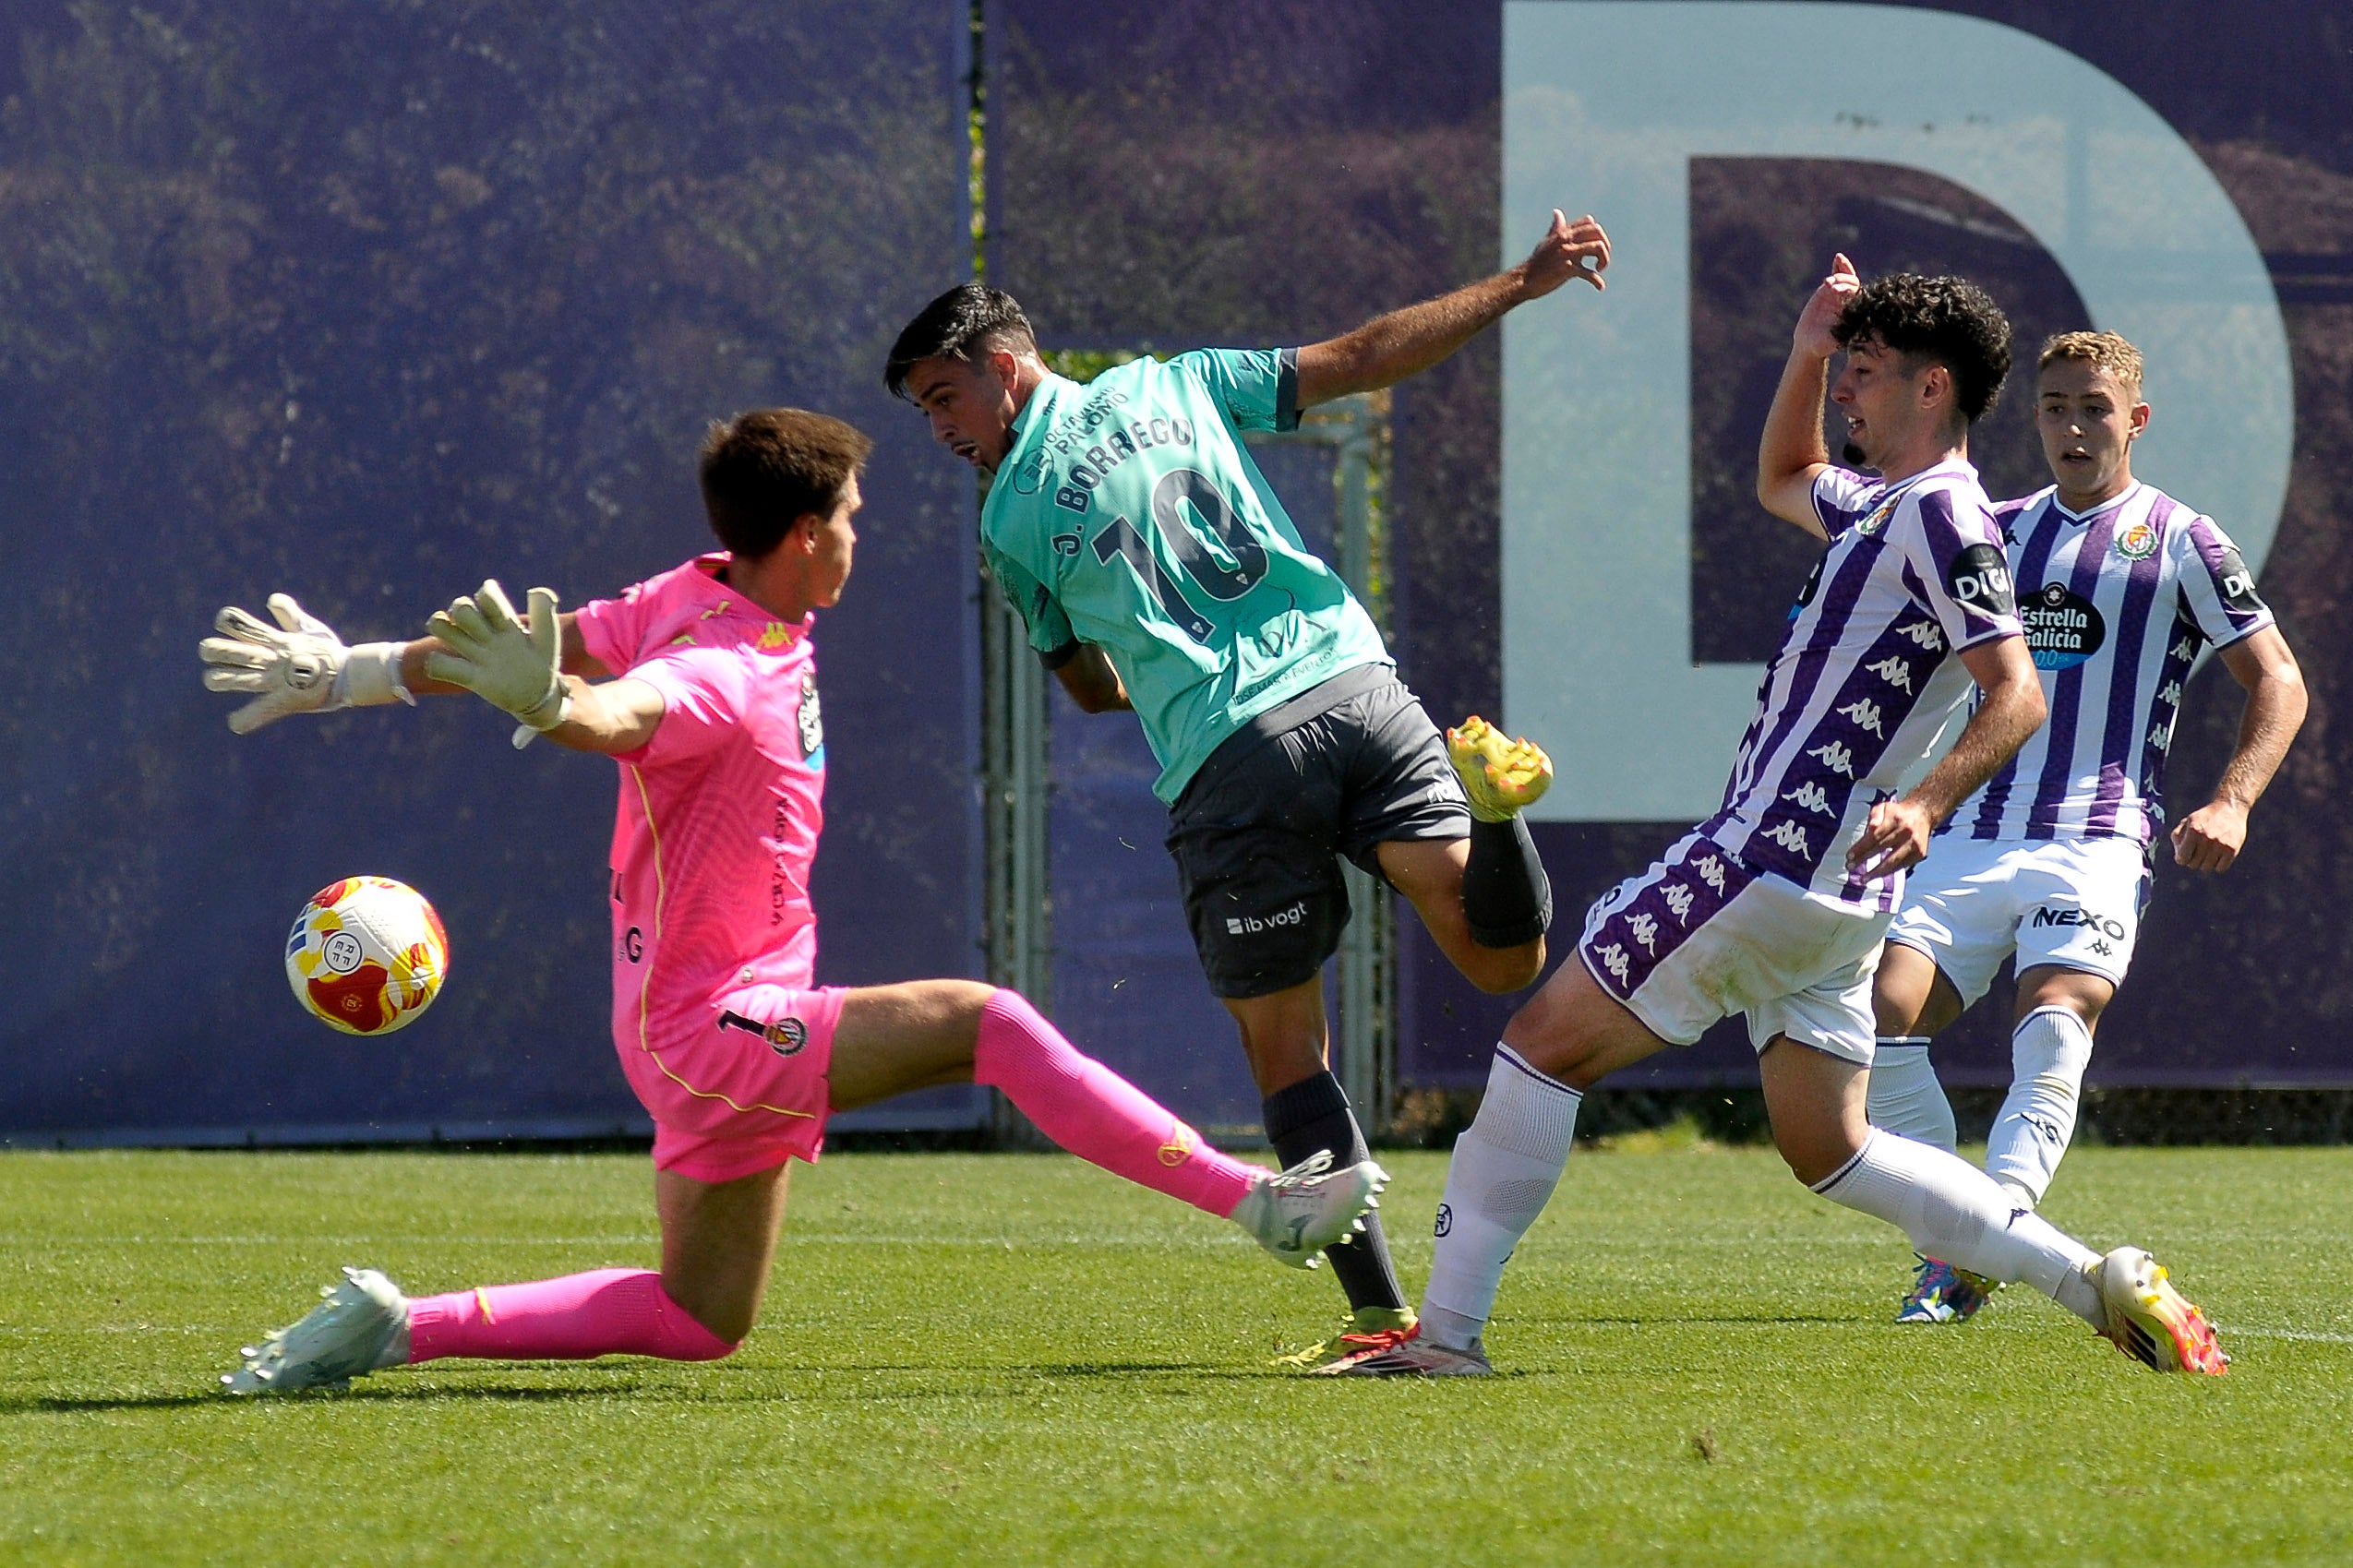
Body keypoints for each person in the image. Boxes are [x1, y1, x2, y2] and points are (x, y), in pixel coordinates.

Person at [198, 408, 1383, 1394]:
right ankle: (1259, 1204)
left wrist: (347, 672)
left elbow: (522, 654)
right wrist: (557, 708)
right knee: (988, 1024)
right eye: (855, 518)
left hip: (700, 1023)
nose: (861, 537)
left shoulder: (686, 593)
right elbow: (622, 713)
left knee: (701, 1316)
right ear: (808, 535)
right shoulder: (716, 669)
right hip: (714, 1022)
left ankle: (397, 1325)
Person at [1328, 258, 2227, 1378]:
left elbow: (2018, 690)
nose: (1844, 392)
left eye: (1862, 373)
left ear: (1930, 386)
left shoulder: (1941, 515)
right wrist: (1806, 347)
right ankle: (2082, 1279)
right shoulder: (1889, 504)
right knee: (1832, 1148)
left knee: (1538, 1050)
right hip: (1837, 902)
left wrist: (1927, 797)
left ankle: (1446, 1340)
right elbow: (1782, 473)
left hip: (1765, 860)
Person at [882, 212, 1605, 1364]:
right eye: (923, 407)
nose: (937, 428)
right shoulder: (1173, 383)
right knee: (1498, 956)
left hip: (1230, 758)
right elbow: (1365, 353)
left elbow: (1084, 686)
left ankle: (1378, 1314)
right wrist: (1518, 285)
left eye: (942, 396)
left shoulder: (1008, 520)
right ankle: (1499, 810)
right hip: (1355, 683)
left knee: (1285, 1051)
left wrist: (1169, 676)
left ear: (1007, 369)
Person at [1866, 330, 2307, 1324]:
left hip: (2096, 836)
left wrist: (2231, 798)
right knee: (1875, 1023)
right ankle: (1965, 1239)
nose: (2072, 424)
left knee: (2053, 1018)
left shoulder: (2182, 540)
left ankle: (1974, 1250)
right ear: (2033, 417)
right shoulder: (1996, 531)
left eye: (2093, 407)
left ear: (2133, 420)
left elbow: (2277, 678)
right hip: (1972, 831)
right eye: (2055, 405)